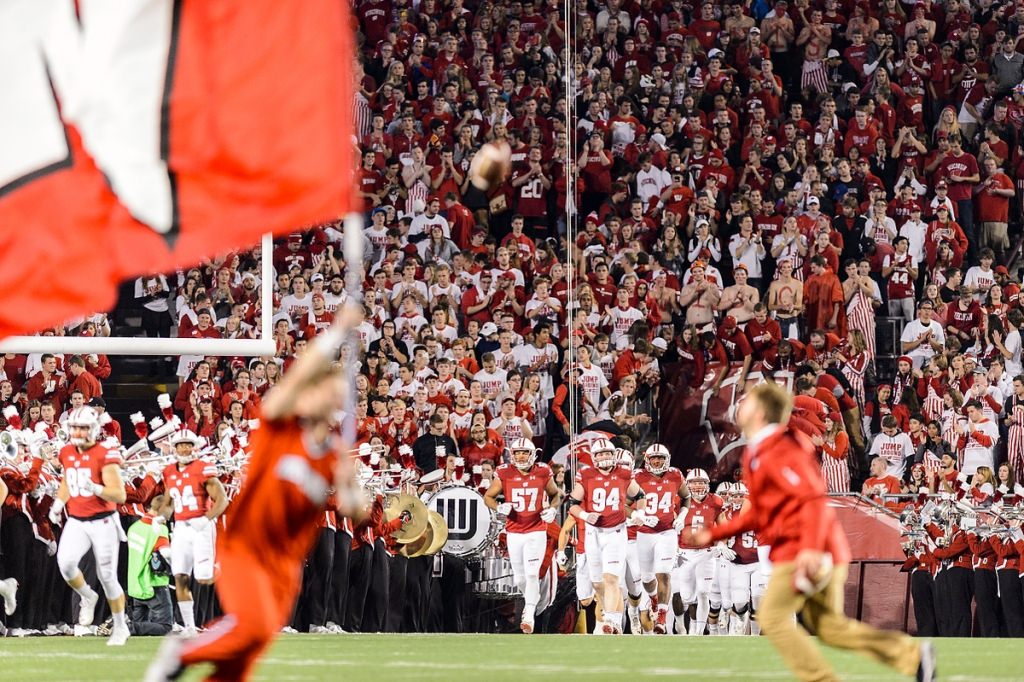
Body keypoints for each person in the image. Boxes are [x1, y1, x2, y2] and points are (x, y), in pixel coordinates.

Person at [146, 312, 365, 681]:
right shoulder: (278, 428)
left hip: (285, 564)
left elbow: (356, 510)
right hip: (248, 547)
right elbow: (295, 379)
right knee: (256, 626)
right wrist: (337, 333)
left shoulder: (331, 456)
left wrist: (349, 484)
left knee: (246, 654)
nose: (330, 398)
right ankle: (184, 650)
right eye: (325, 390)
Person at [683, 382, 934, 682]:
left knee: (773, 617)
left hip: (806, 548)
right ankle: (910, 656)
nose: (741, 408)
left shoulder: (780, 449)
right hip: (814, 547)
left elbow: (810, 499)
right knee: (829, 628)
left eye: (749, 404)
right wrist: (712, 535)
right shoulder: (760, 450)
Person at [48, 405, 130, 645]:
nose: (78, 432)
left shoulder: (105, 453)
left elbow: (120, 495)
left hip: (103, 520)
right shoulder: (65, 451)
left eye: (83, 428)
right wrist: (58, 503)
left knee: (107, 576)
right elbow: (67, 480)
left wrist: (96, 488)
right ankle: (88, 596)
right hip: (76, 520)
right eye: (75, 427)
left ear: (93, 429)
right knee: (65, 565)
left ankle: (120, 626)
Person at [566, 437, 647, 635]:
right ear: (594, 457)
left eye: (607, 453)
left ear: (613, 456)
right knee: (597, 583)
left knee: (611, 578)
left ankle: (613, 621)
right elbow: (572, 504)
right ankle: (612, 616)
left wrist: (639, 513)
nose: (604, 457)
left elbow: (640, 496)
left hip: (616, 533)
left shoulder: (623, 473)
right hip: (594, 534)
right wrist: (585, 515)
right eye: (600, 454)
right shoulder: (585, 474)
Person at [483, 437, 560, 634]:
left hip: (537, 529)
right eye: (517, 453)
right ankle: (530, 604)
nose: (521, 456)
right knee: (520, 579)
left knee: (532, 573)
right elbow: (488, 497)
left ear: (533, 454)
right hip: (514, 531)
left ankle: (529, 612)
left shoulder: (543, 471)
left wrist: (552, 509)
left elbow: (555, 494)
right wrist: (500, 507)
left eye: (525, 452)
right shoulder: (505, 472)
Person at [160, 429, 228, 636]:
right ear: (175, 448)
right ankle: (189, 627)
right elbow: (168, 503)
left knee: (203, 577)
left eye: (188, 444)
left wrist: (206, 518)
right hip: (180, 528)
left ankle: (227, 567)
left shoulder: (203, 468)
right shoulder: (169, 471)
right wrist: (160, 518)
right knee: (180, 576)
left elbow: (222, 500)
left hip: (201, 528)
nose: (184, 448)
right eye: (181, 445)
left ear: (194, 446)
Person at [632, 443, 684, 634]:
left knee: (663, 573)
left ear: (667, 459)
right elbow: (624, 503)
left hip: (667, 532)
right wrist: (639, 515)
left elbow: (685, 496)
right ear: (647, 459)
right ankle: (654, 599)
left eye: (661, 458)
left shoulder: (675, 475)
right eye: (654, 458)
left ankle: (662, 617)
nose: (657, 461)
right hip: (644, 533)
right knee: (646, 578)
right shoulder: (637, 477)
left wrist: (683, 515)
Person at [126, 494, 174, 636]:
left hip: (135, 585)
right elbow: (165, 554)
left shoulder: (134, 527)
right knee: (165, 627)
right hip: (154, 585)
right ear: (163, 508)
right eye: (171, 508)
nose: (172, 512)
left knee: (140, 632)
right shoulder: (159, 529)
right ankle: (125, 627)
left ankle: (127, 627)